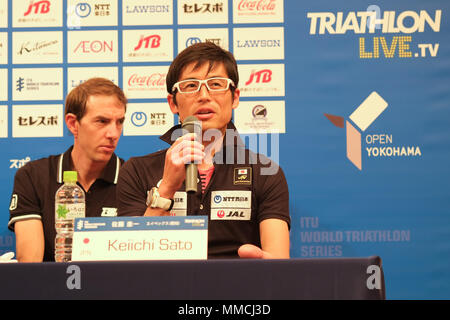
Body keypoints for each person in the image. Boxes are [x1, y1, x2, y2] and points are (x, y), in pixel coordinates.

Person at [117, 42, 290, 259]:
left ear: (235, 97)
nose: (204, 96)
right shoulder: (137, 171)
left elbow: (279, 262)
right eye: (191, 86)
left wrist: (267, 263)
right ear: (173, 104)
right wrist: (167, 189)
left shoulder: (266, 172)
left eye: (216, 84)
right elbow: (128, 259)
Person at [8, 78, 127, 262]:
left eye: (119, 122)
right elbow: (30, 264)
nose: (113, 133)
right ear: (73, 124)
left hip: (114, 288)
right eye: (102, 121)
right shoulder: (33, 176)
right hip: (50, 288)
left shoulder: (133, 176)